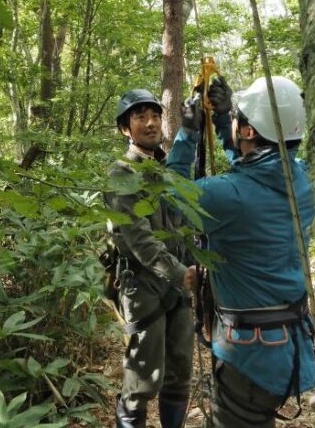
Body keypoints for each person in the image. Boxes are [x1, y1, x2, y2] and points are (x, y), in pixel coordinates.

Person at [167, 75, 315, 428]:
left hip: (250, 356)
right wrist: (223, 120)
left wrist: (187, 133)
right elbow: (258, 171)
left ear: (248, 132)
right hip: (289, 347)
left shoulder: (228, 195)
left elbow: (174, 195)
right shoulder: (304, 180)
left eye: (239, 117)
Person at [104, 89, 196, 428]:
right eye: (140, 116)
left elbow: (185, 220)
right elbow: (138, 238)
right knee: (143, 380)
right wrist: (180, 273)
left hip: (178, 286)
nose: (150, 122)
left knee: (180, 372)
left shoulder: (167, 171)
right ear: (125, 129)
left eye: (155, 115)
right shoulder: (121, 174)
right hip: (143, 287)